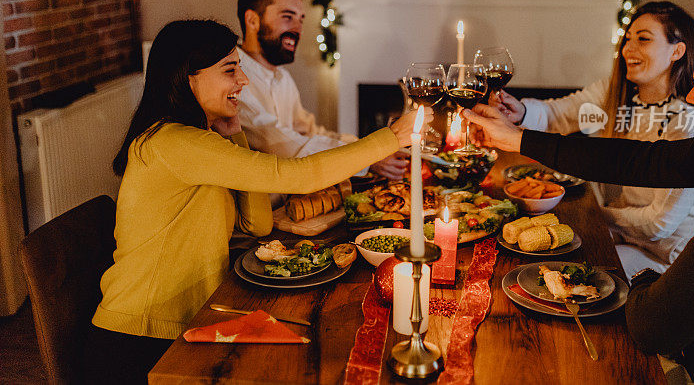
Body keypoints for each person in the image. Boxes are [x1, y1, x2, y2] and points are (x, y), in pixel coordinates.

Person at [83, 20, 432, 384]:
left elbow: (257, 225)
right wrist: (390, 137)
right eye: (230, 70)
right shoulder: (175, 142)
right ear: (188, 77)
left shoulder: (199, 140)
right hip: (139, 337)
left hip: (189, 317)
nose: (243, 81)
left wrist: (237, 137)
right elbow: (296, 176)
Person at [462, 13, 694, 384]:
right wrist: (517, 139)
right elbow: (639, 160)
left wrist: (639, 277)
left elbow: (652, 327)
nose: (691, 97)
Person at [490, 2, 694, 278]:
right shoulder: (614, 92)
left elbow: (660, 223)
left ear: (678, 51)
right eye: (627, 39)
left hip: (667, 254)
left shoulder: (687, 122)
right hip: (620, 234)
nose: (628, 49)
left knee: (581, 274)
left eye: (643, 39)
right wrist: (522, 112)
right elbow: (560, 113)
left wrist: (593, 213)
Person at [235, 0, 408, 192]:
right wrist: (368, 156)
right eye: (288, 17)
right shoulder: (233, 76)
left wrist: (369, 147)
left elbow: (308, 132)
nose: (298, 28)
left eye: (301, 19)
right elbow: (278, 142)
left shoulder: (283, 78)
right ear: (252, 20)